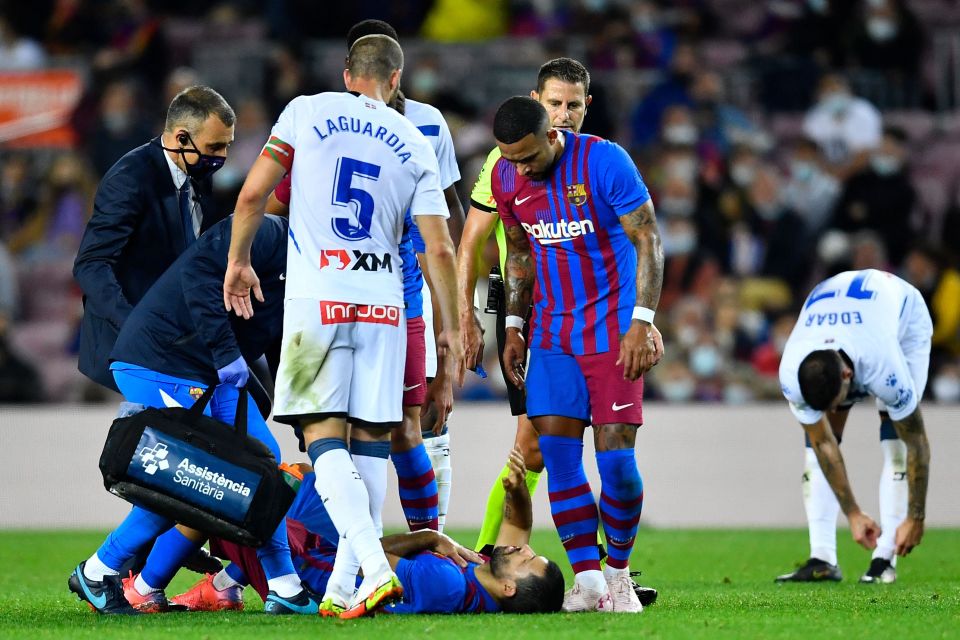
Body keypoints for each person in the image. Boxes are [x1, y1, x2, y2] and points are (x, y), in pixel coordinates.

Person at [222, 34, 462, 619]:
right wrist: (450, 332)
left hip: (318, 304)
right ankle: (342, 589)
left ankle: (375, 570)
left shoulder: (305, 112)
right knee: (373, 444)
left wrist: (238, 261)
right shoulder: (415, 138)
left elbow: (253, 194)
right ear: (396, 78)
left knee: (321, 437)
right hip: (385, 308)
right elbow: (440, 246)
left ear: (348, 74)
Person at [67, 215, 318, 614]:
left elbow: (284, 339)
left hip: (210, 370)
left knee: (266, 471)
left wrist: (301, 414)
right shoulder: (266, 233)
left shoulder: (319, 258)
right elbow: (199, 273)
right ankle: (100, 570)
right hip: (161, 359)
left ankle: (285, 587)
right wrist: (226, 356)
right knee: (183, 480)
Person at [493, 97, 663, 612]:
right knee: (561, 462)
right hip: (551, 336)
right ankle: (587, 582)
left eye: (527, 157)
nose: (519, 168)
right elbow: (519, 251)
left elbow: (648, 239)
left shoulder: (604, 162)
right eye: (510, 158)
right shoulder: (506, 178)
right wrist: (515, 325)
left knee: (617, 464)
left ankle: (618, 576)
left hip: (613, 333)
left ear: (552, 136)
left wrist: (643, 321)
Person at [174, 448, 564, 615]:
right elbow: (518, 526)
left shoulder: (445, 582)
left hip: (311, 569)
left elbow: (369, 552)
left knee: (226, 492)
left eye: (526, 560)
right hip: (328, 546)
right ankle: (225, 581)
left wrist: (430, 536)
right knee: (307, 476)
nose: (521, 550)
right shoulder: (483, 571)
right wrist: (516, 490)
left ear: (510, 588)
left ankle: (138, 580)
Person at [461, 57, 592, 554]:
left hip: (584, 313)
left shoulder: (594, 159)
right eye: (554, 103)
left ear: (586, 107)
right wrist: (467, 317)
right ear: (536, 103)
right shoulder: (507, 159)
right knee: (534, 444)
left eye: (572, 105)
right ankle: (489, 557)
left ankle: (599, 565)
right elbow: (470, 240)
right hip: (527, 312)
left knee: (552, 445)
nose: (563, 113)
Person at [343, 19, 465, 535]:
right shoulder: (420, 123)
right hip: (401, 291)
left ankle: (402, 542)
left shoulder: (329, 123)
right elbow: (452, 219)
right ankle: (413, 540)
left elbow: (450, 213)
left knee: (379, 431)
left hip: (377, 290)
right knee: (399, 430)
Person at [73, 85, 235, 393]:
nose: (222, 157)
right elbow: (90, 265)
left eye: (227, 145)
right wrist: (135, 325)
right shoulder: (130, 180)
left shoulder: (197, 172)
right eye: (215, 147)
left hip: (180, 333)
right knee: (158, 431)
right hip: (135, 344)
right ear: (181, 138)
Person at [776, 269, 932, 585]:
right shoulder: (791, 371)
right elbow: (823, 444)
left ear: (848, 376)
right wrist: (854, 513)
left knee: (896, 442)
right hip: (848, 316)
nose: (835, 410)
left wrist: (916, 518)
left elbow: (918, 442)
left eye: (836, 402)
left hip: (904, 323)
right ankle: (822, 560)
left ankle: (883, 560)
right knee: (818, 440)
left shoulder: (884, 365)